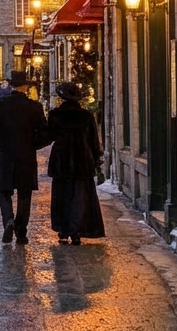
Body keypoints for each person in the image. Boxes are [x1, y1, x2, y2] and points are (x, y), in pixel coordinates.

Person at [0, 70, 49, 244]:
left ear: (11, 85)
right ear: (26, 86)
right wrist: (33, 146)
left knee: (4, 192)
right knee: (24, 194)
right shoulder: (35, 107)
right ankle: (21, 232)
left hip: (5, 155)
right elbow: (45, 133)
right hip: (26, 156)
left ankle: (8, 220)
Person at [47, 82, 105, 245]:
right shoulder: (86, 116)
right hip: (82, 161)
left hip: (61, 161)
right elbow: (93, 140)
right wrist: (96, 159)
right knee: (80, 196)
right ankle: (77, 230)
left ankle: (64, 230)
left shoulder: (55, 115)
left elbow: (49, 136)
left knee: (62, 195)